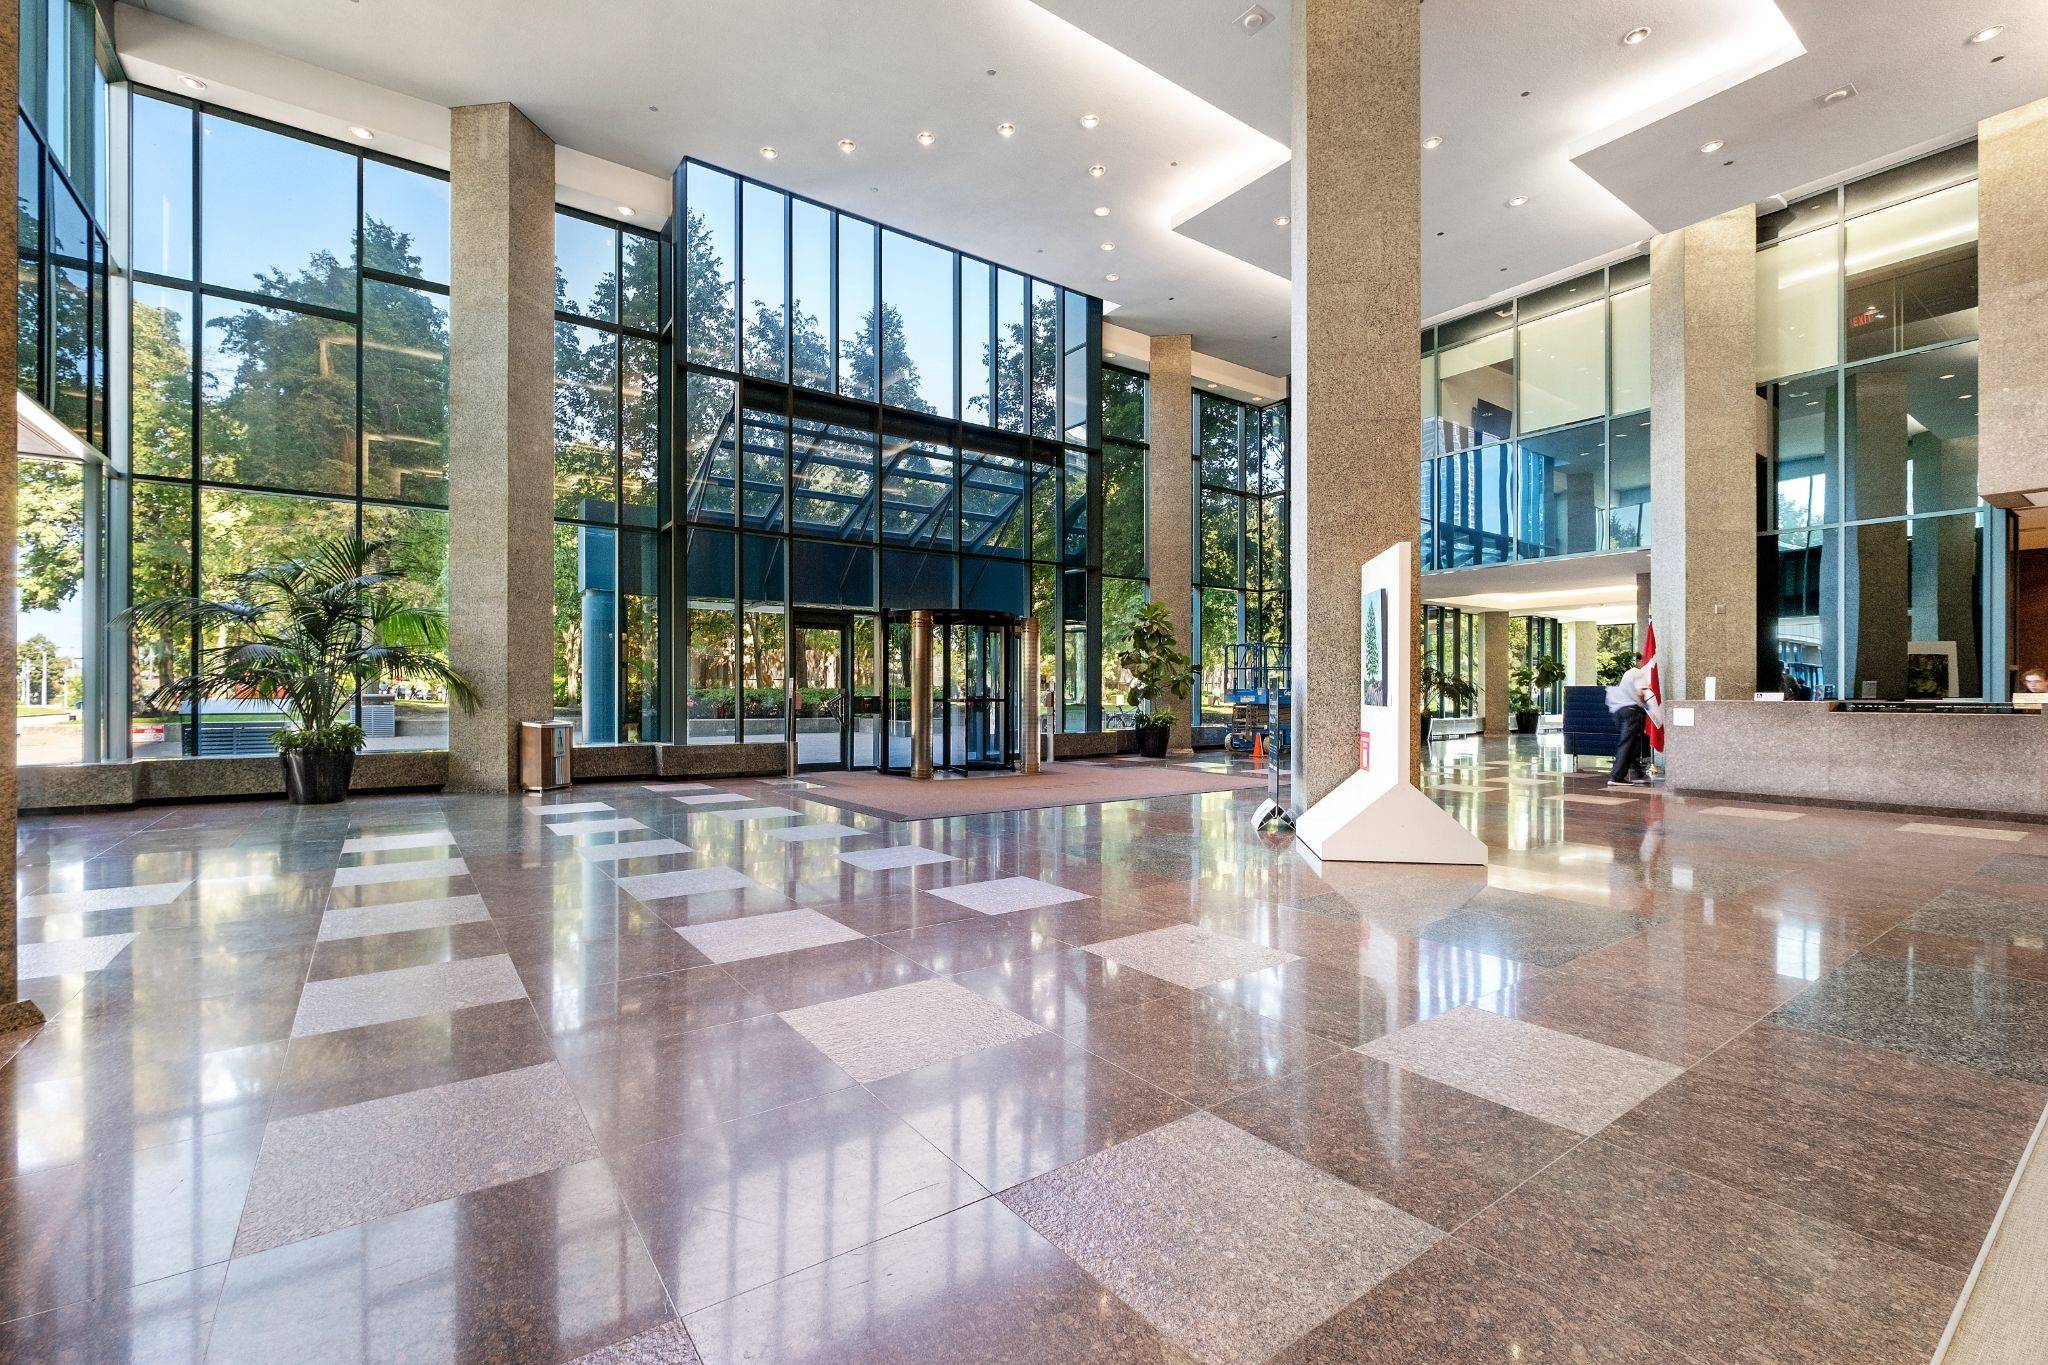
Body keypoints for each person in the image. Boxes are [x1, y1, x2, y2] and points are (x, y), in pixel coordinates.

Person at [1605, 663, 1660, 788]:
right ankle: (1617, 777)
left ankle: (1636, 770)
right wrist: (1646, 705)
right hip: (1631, 711)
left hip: (1619, 711)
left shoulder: (1628, 673)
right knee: (1627, 743)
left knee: (1631, 742)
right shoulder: (1638, 673)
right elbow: (1640, 693)